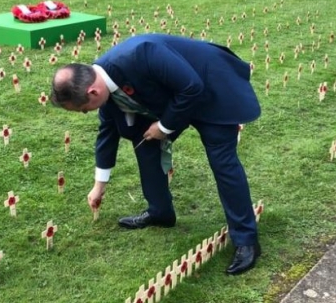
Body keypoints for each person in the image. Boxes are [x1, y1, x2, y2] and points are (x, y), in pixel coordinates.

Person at [51, 33, 262, 275]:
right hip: (173, 97)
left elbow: (192, 88)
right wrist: (99, 186)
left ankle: (247, 241)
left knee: (222, 161)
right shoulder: (102, 86)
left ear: (92, 92)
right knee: (144, 140)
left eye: (82, 109)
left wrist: (163, 128)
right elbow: (107, 135)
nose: (84, 114)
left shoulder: (142, 53)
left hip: (210, 88)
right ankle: (160, 212)